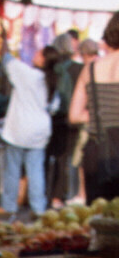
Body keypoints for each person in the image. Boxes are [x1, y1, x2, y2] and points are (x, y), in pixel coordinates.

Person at [0, 46, 54, 219]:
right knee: (36, 171)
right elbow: (54, 107)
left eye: (38, 53)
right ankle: (38, 208)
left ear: (43, 59)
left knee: (12, 170)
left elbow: (7, 60)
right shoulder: (51, 81)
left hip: (19, 129)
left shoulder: (27, 74)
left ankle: (9, 207)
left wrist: (5, 43)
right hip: (40, 131)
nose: (34, 54)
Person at [70, 14, 119, 203]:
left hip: (97, 155)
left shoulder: (90, 68)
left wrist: (101, 113)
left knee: (99, 222)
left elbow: (75, 115)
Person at [48, 34, 83, 205]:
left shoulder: (51, 67)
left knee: (50, 157)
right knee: (68, 159)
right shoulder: (79, 69)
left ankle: (49, 194)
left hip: (53, 118)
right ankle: (63, 195)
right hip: (73, 119)